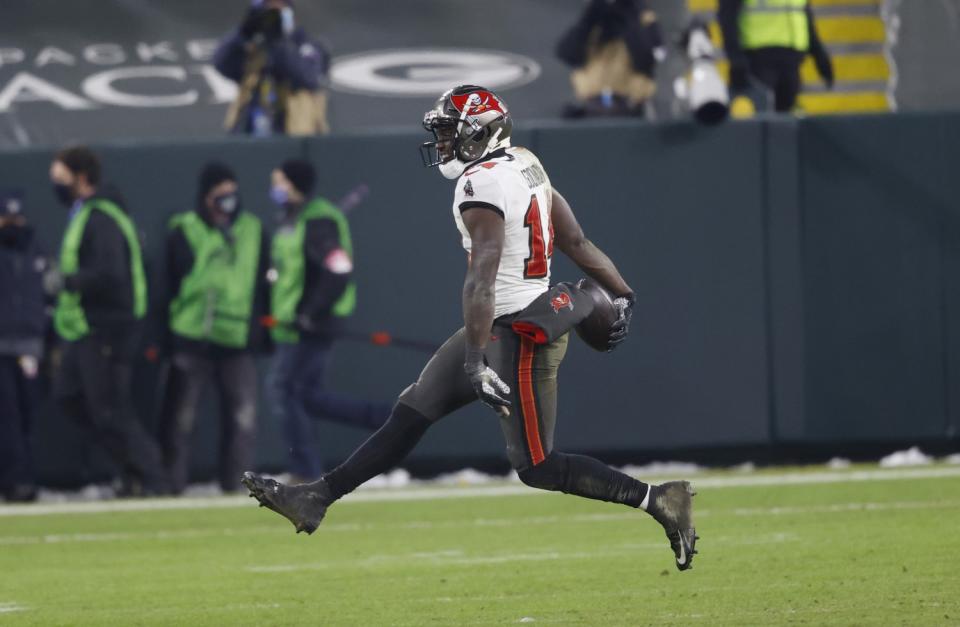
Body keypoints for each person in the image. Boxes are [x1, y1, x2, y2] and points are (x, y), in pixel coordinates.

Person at [242, 86, 699, 572]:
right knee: (413, 409)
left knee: (538, 467)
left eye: (447, 132)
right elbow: (576, 240)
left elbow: (482, 274)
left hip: (521, 332)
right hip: (500, 323)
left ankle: (660, 500)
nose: (440, 143)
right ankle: (317, 497)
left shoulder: (479, 184)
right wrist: (624, 292)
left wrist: (475, 358)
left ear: (480, 132)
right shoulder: (524, 160)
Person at [48, 146, 168, 496]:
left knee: (110, 409)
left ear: (81, 178)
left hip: (108, 328)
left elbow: (110, 273)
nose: (56, 186)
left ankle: (153, 476)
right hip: (87, 326)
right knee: (70, 395)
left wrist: (66, 281)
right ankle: (133, 469)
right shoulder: (87, 212)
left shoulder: (101, 218)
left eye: (61, 179)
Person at [266, 159, 390, 482]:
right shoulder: (295, 218)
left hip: (312, 325)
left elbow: (337, 269)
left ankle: (305, 469)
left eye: (279, 181)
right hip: (296, 325)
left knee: (287, 390)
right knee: (302, 394)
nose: (275, 187)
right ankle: (382, 420)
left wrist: (310, 312)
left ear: (293, 184)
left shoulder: (318, 220)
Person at [158, 163, 271, 494]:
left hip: (237, 341)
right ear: (206, 196)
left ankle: (237, 490)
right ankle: (172, 487)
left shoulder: (252, 229)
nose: (228, 200)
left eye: (232, 192)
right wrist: (163, 340)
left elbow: (263, 287)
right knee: (180, 420)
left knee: (243, 420)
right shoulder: (184, 229)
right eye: (221, 193)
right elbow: (167, 287)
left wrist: (260, 334)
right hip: (193, 340)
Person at [214, 0, 331, 136]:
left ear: (290, 11)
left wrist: (279, 42)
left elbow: (309, 78)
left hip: (295, 133)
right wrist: (243, 32)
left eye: (279, 9)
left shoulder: (306, 44)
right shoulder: (253, 49)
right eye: (268, 10)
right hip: (250, 132)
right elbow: (221, 63)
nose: (274, 15)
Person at [0, 191, 45, 502]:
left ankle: (21, 478)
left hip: (30, 345)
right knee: (9, 416)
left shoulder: (36, 251)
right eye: (6, 218)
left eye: (17, 218)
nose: (12, 224)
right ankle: (17, 481)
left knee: (26, 416)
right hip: (1, 345)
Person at [719, 0, 834, 113]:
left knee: (788, 116)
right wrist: (736, 57)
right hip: (759, 58)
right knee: (764, 114)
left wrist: (819, 54)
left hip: (792, 61)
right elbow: (727, 15)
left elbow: (803, 14)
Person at [556, 0, 664, 118]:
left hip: (630, 108)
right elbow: (567, 54)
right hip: (591, 108)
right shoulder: (595, 18)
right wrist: (589, 19)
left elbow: (648, 61)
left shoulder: (643, 17)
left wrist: (630, 19)